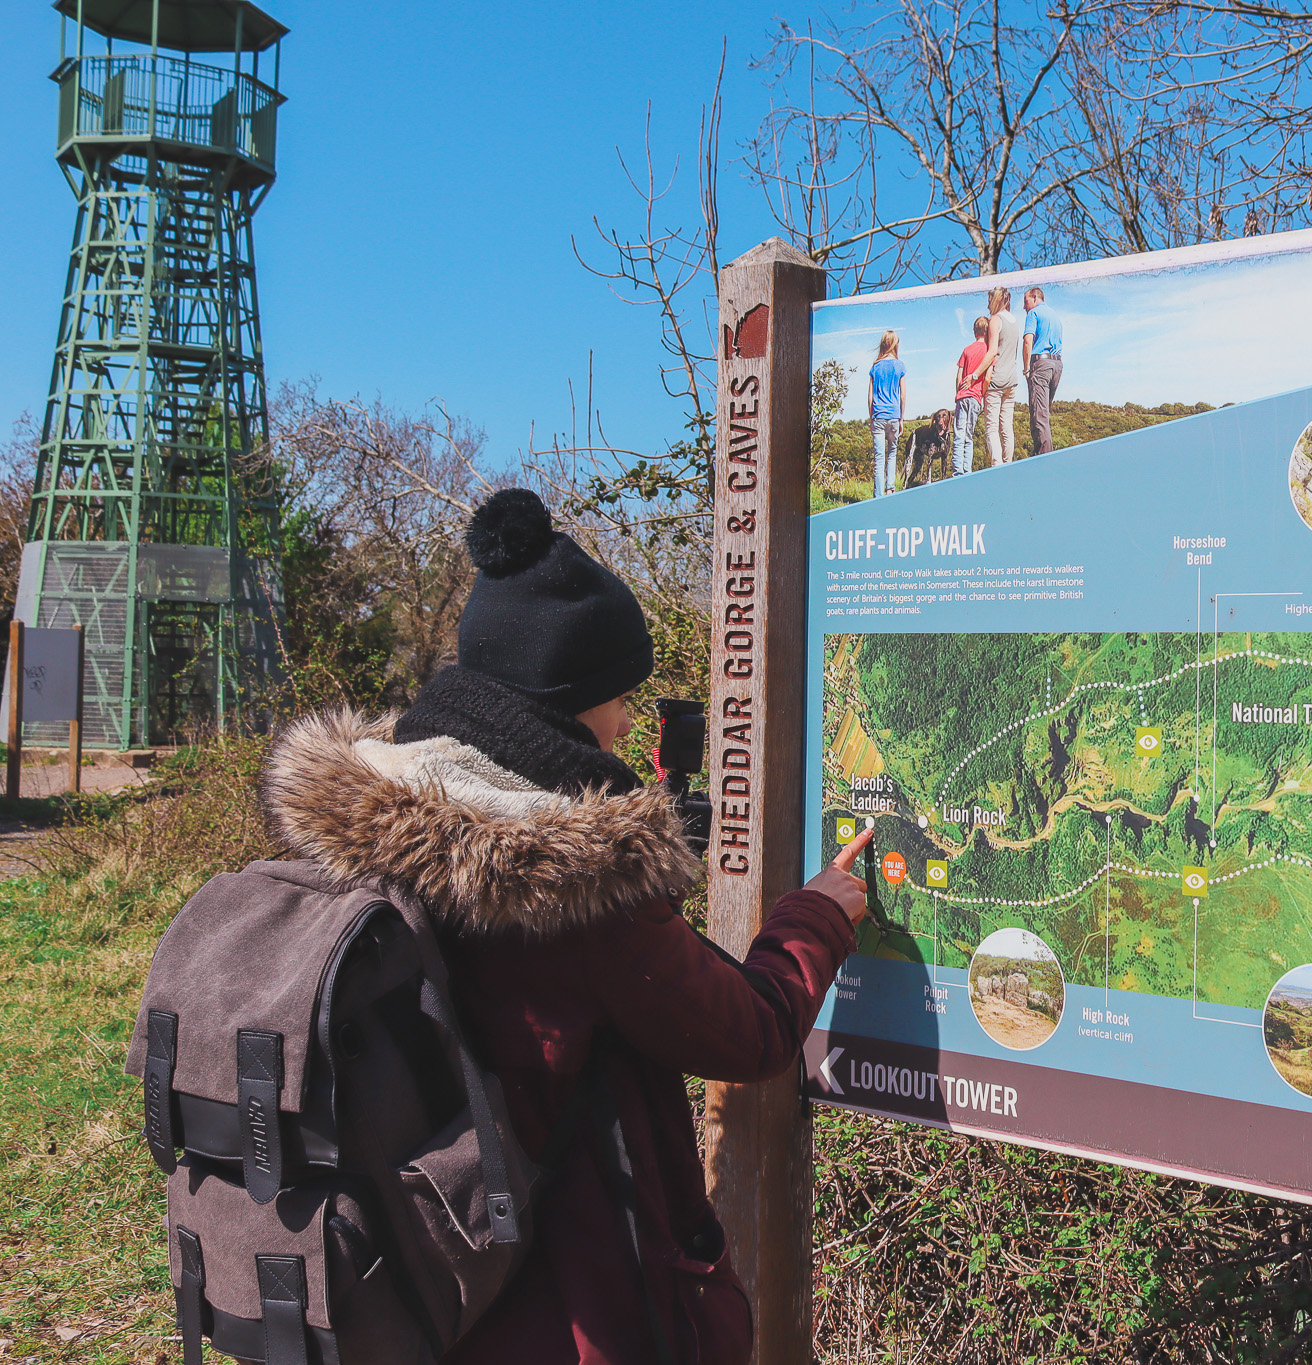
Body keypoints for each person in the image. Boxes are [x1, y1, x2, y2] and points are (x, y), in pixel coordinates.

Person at [260, 488, 871, 1365]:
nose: (625, 722)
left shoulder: (379, 816)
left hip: (426, 1283)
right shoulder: (571, 890)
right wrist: (815, 916)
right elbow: (753, 1028)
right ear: (563, 698)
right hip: (576, 1313)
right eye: (616, 698)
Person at [982, 287, 1023, 467]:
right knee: (1007, 426)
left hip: (996, 380)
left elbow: (992, 352)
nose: (987, 304)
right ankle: (1008, 463)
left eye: (989, 299)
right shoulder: (1015, 321)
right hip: (1011, 380)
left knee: (991, 428)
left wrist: (975, 374)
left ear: (995, 299)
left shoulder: (995, 320)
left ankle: (997, 466)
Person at [1021, 286, 1064, 456]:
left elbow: (1027, 341)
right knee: (1044, 414)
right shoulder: (1055, 316)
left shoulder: (1034, 314)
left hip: (1041, 365)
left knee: (1039, 417)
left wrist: (1026, 369)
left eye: (1026, 302)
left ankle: (1044, 461)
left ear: (1035, 298)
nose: (1024, 306)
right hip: (1057, 365)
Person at [868, 330, 907, 497]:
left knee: (879, 457)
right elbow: (903, 395)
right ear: (895, 344)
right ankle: (890, 489)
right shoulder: (900, 365)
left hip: (878, 416)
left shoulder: (875, 367)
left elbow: (870, 397)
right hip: (893, 415)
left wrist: (871, 418)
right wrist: (901, 419)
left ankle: (878, 495)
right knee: (892, 453)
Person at [953, 316, 992, 476]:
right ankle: (967, 471)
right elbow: (988, 378)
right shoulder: (989, 352)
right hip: (976, 397)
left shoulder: (967, 349)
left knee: (959, 435)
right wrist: (981, 394)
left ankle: (957, 472)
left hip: (962, 396)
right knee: (969, 435)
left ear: (974, 331)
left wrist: (958, 392)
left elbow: (959, 375)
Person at [906, 408, 953, 487]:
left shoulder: (947, 438)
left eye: (944, 416)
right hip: (916, 439)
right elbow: (930, 459)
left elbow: (944, 459)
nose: (940, 421)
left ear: (949, 419)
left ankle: (944, 482)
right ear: (935, 420)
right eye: (938, 417)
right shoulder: (931, 433)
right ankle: (907, 484)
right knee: (915, 465)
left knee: (944, 459)